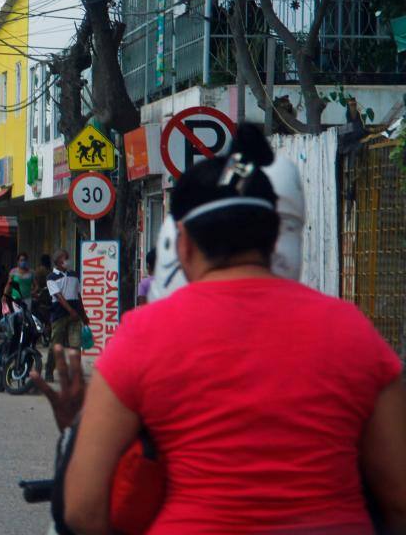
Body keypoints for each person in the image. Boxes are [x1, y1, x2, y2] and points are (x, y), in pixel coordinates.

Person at [58, 124, 406, 535]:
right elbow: (399, 496)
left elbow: (82, 509)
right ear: (275, 234)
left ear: (182, 243)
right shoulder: (354, 331)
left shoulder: (142, 335)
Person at [43, 249, 87, 382]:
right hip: (59, 315)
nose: (68, 260)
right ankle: (49, 370)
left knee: (76, 345)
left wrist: (83, 314)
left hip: (75, 317)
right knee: (56, 346)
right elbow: (59, 297)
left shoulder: (74, 275)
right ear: (57, 261)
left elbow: (78, 295)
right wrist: (71, 311)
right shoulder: (51, 277)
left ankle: (76, 374)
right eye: (65, 258)